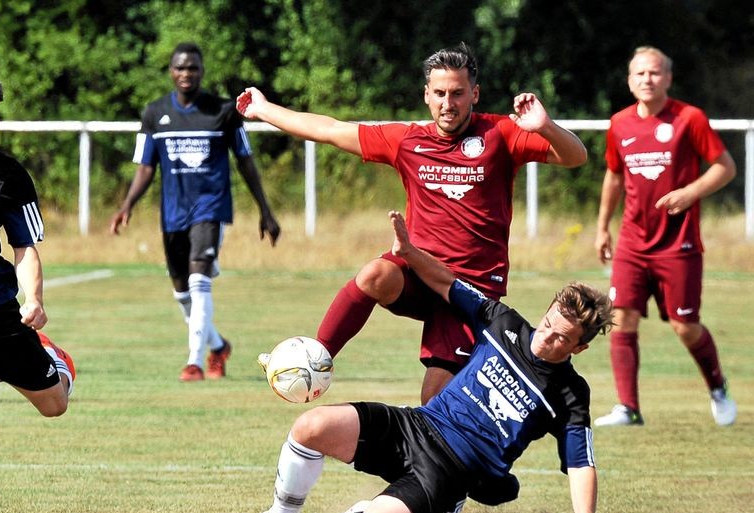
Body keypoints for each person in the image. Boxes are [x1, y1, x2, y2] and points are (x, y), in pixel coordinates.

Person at [215, 210, 625, 513]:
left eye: (561, 338)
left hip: (450, 473)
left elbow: (580, 462)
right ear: (549, 308)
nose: (547, 337)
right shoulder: (505, 324)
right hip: (415, 426)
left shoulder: (570, 394)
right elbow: (447, 283)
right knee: (311, 426)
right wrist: (409, 252)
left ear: (579, 348)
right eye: (550, 322)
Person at [238, 42, 587, 403]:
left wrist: (546, 127)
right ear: (426, 94)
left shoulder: (500, 135)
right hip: (418, 273)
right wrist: (264, 109)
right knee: (375, 273)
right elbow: (328, 129)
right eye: (439, 93)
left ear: (475, 94)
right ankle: (316, 359)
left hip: (470, 290)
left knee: (434, 399)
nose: (447, 103)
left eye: (457, 93)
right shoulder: (408, 141)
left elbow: (576, 156)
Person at [109, 42, 281, 382]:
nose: (186, 73)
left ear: (202, 71)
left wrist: (265, 210)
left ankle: (195, 362)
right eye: (180, 68)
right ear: (171, 71)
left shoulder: (223, 111)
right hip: (173, 211)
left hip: (210, 206)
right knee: (181, 291)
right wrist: (126, 205)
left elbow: (245, 161)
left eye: (193, 68)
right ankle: (218, 346)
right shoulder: (154, 112)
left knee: (200, 280)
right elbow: (145, 166)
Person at [593, 46, 737, 427]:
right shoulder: (619, 124)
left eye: (654, 73)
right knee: (621, 318)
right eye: (639, 74)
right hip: (632, 242)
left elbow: (725, 167)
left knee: (685, 326)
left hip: (679, 244)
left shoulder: (690, 119)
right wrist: (601, 226)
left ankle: (717, 385)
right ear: (629, 80)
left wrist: (691, 192)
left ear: (668, 78)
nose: (647, 80)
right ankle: (628, 407)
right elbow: (614, 176)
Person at [0, 58, 75, 415]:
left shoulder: (4, 174)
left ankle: (53, 356)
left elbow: (24, 246)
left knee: (55, 406)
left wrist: (34, 300)